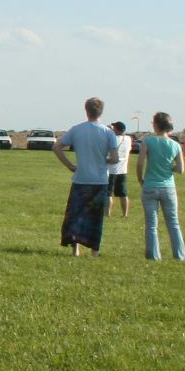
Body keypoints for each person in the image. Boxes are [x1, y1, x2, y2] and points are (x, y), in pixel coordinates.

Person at [53, 97, 120, 256]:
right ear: (101, 112)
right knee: (96, 217)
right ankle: (94, 250)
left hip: (81, 179)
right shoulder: (108, 133)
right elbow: (115, 158)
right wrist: (103, 159)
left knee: (76, 214)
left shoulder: (77, 129)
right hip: (99, 181)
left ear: (86, 110)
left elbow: (56, 147)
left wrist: (70, 165)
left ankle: (75, 248)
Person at [139, 112, 185, 261]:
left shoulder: (148, 141)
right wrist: (170, 167)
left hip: (150, 185)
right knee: (173, 223)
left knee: (151, 224)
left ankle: (153, 256)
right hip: (168, 187)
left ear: (156, 125)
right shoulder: (175, 145)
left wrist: (141, 179)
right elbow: (181, 169)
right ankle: (179, 255)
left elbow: (140, 163)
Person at [107, 121, 133, 218]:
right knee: (123, 194)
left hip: (110, 170)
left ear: (116, 129)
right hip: (122, 170)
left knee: (108, 194)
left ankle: (107, 213)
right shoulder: (128, 139)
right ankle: (125, 214)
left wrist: (109, 130)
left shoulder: (113, 138)